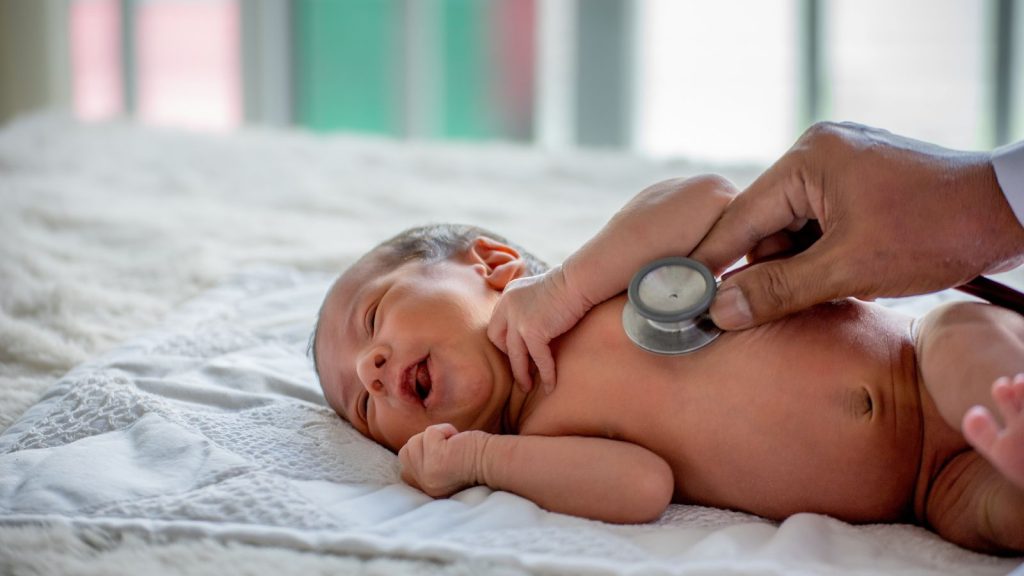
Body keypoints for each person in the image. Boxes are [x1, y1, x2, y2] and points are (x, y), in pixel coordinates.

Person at [311, 178, 1024, 555]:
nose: (370, 372)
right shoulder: (536, 443)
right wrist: (480, 460)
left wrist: (566, 284)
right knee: (998, 517)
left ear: (494, 266)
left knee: (966, 340)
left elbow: (710, 200)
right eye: (362, 406)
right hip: (931, 490)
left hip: (921, 363)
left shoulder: (590, 289)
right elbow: (642, 487)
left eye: (372, 320)